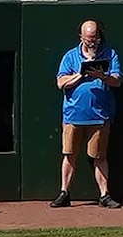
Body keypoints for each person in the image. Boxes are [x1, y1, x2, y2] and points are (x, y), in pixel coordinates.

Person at [51, 17, 118, 205]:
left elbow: (117, 81)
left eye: (95, 37)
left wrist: (101, 76)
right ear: (81, 36)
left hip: (99, 115)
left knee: (99, 156)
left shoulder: (109, 54)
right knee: (70, 154)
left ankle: (104, 195)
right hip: (73, 115)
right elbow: (60, 83)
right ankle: (64, 193)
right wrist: (80, 75)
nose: (92, 41)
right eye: (88, 37)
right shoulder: (70, 56)